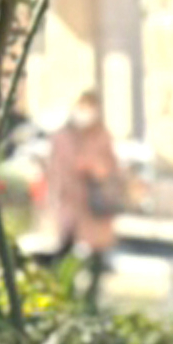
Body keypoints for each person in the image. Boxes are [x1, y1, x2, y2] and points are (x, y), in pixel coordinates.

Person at [42, 91, 124, 307]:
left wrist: (96, 168)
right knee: (64, 251)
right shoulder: (61, 136)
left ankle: (90, 303)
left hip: (94, 204)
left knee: (96, 255)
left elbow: (112, 169)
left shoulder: (102, 136)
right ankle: (61, 297)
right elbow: (53, 170)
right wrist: (52, 200)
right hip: (68, 202)